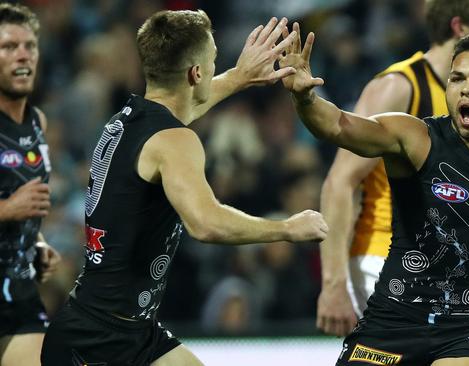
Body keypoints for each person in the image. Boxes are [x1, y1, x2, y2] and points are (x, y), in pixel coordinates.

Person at [41, 11, 327, 366]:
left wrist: (239, 76)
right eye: (212, 62)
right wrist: (286, 227)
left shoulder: (127, 121)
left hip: (123, 329)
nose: (213, 69)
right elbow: (206, 224)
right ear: (196, 73)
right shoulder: (174, 141)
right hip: (99, 341)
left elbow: (186, 106)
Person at [281, 30, 469, 365]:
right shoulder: (415, 138)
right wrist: (305, 100)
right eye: (457, 78)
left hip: (465, 330)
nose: (466, 88)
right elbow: (338, 126)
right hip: (390, 324)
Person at [317, 0, 469, 338]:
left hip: (447, 268)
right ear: (461, 27)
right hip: (384, 259)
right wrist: (333, 283)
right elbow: (340, 183)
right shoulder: (399, 86)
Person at [0, 3, 61, 366]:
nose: (23, 55)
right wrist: (10, 209)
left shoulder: (38, 122)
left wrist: (37, 242)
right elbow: (13, 203)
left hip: (18, 289)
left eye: (30, 45)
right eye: (9, 47)